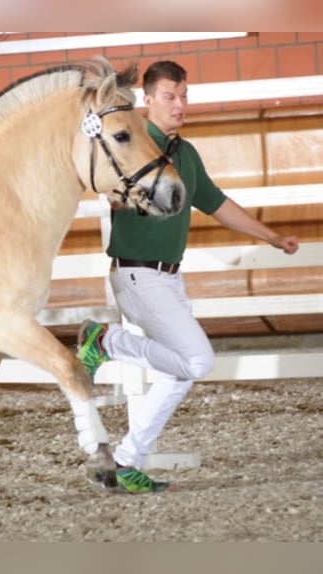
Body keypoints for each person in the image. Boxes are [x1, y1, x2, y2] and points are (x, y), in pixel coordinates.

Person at [77, 60, 299, 493]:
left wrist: (271, 236)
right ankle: (106, 342)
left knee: (179, 371)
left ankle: (125, 462)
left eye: (183, 96)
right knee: (198, 360)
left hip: (170, 280)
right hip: (138, 276)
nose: (179, 105)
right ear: (148, 99)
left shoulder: (186, 154)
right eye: (169, 97)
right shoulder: (132, 142)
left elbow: (217, 203)